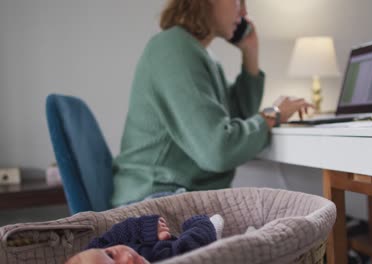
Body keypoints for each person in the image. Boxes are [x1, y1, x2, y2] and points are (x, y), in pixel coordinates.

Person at [111, 0, 312, 207]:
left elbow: (239, 119)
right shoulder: (175, 48)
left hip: (174, 196)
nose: (243, 12)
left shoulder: (200, 54)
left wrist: (250, 52)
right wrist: (274, 114)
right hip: (154, 200)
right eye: (238, 1)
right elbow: (219, 150)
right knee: (292, 218)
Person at [65, 214, 224, 264]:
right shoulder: (164, 258)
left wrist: (146, 227)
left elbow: (117, 233)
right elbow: (192, 245)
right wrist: (200, 224)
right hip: (179, 246)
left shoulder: (94, 251)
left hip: (156, 239)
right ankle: (213, 232)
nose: (127, 257)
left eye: (111, 255)